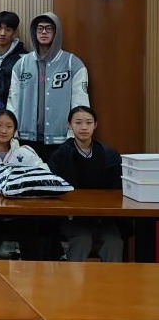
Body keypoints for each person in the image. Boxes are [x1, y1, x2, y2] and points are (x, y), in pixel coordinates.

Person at [0, 108, 57, 260]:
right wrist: (15, 179)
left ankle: (32, 273)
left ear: (14, 131)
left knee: (33, 234)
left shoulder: (24, 152)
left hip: (20, 214)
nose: (3, 130)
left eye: (9, 126)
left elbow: (44, 173)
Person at [8, 12, 89, 160]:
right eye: (40, 28)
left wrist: (74, 133)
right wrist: (12, 131)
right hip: (26, 138)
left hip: (61, 138)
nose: (43, 32)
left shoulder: (72, 63)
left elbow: (80, 103)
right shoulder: (22, 64)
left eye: (49, 28)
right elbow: (13, 101)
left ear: (57, 32)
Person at [49, 106, 124, 262]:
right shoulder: (60, 155)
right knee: (82, 239)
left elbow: (117, 189)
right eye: (78, 122)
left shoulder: (109, 155)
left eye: (89, 123)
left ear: (95, 125)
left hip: (103, 217)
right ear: (69, 125)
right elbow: (53, 187)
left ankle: (113, 277)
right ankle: (74, 278)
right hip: (72, 217)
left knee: (114, 241)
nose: (84, 127)